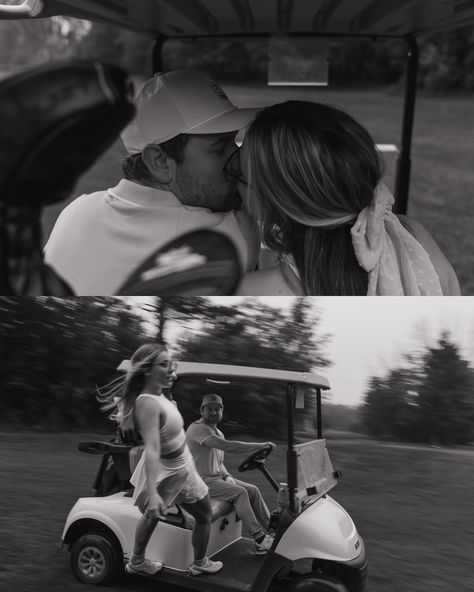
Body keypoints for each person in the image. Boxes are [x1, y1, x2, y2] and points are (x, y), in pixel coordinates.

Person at [44, 70, 261, 295]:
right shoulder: (233, 234)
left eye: (234, 141)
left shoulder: (76, 211)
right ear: (159, 161)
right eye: (219, 149)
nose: (236, 161)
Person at [229, 100, 461, 296]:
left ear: (278, 202)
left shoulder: (250, 293)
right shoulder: (416, 238)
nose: (230, 176)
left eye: (238, 174)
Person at [98, 343, 223, 577]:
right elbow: (153, 449)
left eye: (170, 364)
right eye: (164, 364)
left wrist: (170, 377)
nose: (170, 369)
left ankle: (192, 562)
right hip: (172, 471)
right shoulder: (147, 403)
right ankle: (145, 562)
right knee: (176, 514)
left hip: (185, 466)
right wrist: (154, 493)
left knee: (193, 514)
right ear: (147, 369)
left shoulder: (160, 394)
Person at [186, 393, 276, 554]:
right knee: (240, 493)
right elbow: (228, 447)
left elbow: (219, 464)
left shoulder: (218, 433)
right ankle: (260, 539)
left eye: (217, 409)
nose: (213, 413)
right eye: (209, 409)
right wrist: (260, 445)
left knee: (252, 490)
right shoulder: (197, 428)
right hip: (198, 481)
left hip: (215, 479)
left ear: (222, 411)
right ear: (201, 410)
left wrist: (227, 476)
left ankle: (273, 531)